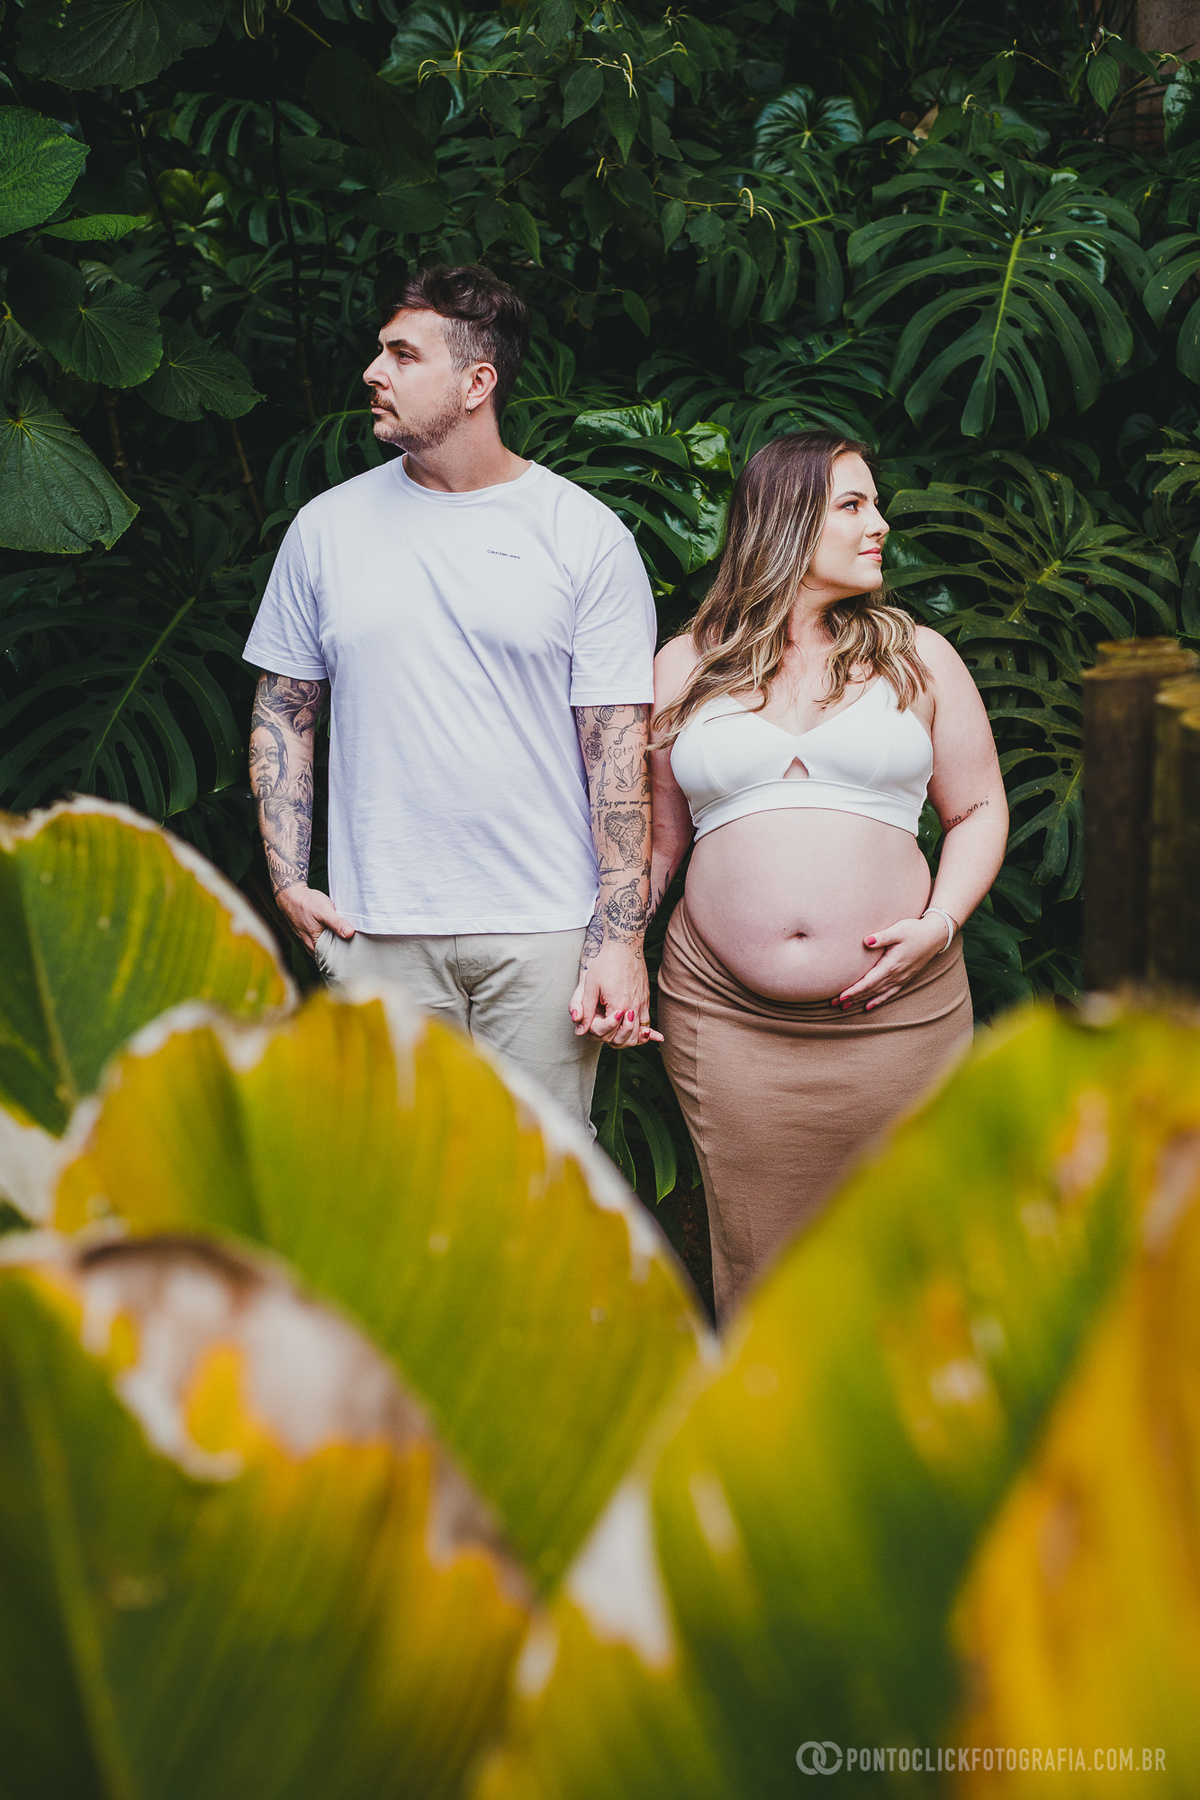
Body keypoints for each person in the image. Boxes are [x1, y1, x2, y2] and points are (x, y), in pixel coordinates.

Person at [244, 263, 661, 1132]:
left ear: (477, 383)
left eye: (404, 355)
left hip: (543, 929)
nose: (374, 371)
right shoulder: (324, 529)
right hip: (375, 928)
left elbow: (618, 750)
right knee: (397, 1181)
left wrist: (619, 939)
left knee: (540, 1183)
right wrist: (288, 879)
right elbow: (284, 707)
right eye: (381, 350)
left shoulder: (583, 534)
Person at [650, 431, 1007, 1321]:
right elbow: (655, 844)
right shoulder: (687, 663)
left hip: (901, 1012)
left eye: (874, 503)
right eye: (853, 505)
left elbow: (978, 809)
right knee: (760, 1263)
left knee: (914, 1261)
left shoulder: (919, 655)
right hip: (727, 1021)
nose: (879, 524)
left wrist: (941, 923)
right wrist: (612, 948)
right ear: (787, 520)